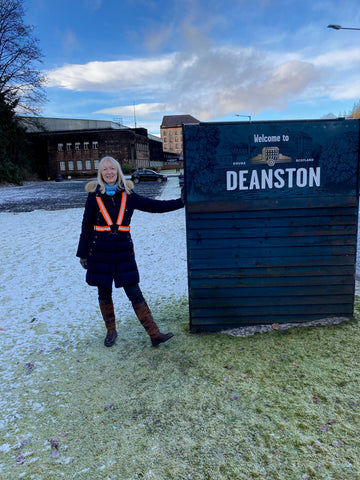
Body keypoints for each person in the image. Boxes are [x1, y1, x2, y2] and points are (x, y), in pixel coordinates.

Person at [76, 156, 184, 347]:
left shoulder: (128, 195)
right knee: (104, 292)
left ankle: (154, 333)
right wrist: (82, 254)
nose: (109, 172)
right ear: (101, 173)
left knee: (134, 291)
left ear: (118, 171)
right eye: (105, 169)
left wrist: (181, 202)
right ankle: (111, 331)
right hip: (99, 251)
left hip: (123, 251)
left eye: (112, 169)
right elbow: (86, 227)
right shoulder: (94, 196)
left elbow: (154, 206)